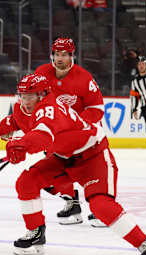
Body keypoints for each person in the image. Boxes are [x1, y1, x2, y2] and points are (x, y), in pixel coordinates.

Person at [0, 73, 146, 255]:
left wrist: (22, 145)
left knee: (101, 205)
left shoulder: (50, 107)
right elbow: (20, 121)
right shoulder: (25, 108)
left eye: (30, 96)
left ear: (43, 94)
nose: (25, 100)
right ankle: (36, 233)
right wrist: (5, 131)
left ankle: (145, 244)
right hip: (63, 158)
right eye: (22, 95)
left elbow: (42, 135)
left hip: (92, 156)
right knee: (26, 181)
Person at [34, 37, 105, 227]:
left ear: (72, 55)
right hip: (53, 137)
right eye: (57, 54)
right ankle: (71, 203)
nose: (60, 59)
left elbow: (97, 108)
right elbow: (33, 101)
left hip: (80, 137)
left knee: (88, 172)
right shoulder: (41, 73)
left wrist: (77, 125)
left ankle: (101, 208)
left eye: (64, 55)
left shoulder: (84, 78)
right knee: (52, 174)